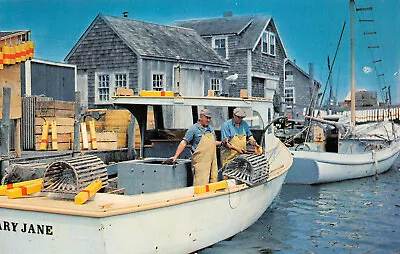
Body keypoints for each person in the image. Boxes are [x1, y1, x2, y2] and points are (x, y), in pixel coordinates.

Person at [170, 109, 220, 186]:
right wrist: (175, 156)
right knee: (201, 184)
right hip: (200, 163)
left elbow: (213, 143)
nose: (208, 120)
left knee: (213, 182)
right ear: (201, 117)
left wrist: (222, 143)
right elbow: (184, 142)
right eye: (207, 118)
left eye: (210, 118)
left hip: (212, 162)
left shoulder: (211, 129)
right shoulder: (193, 129)